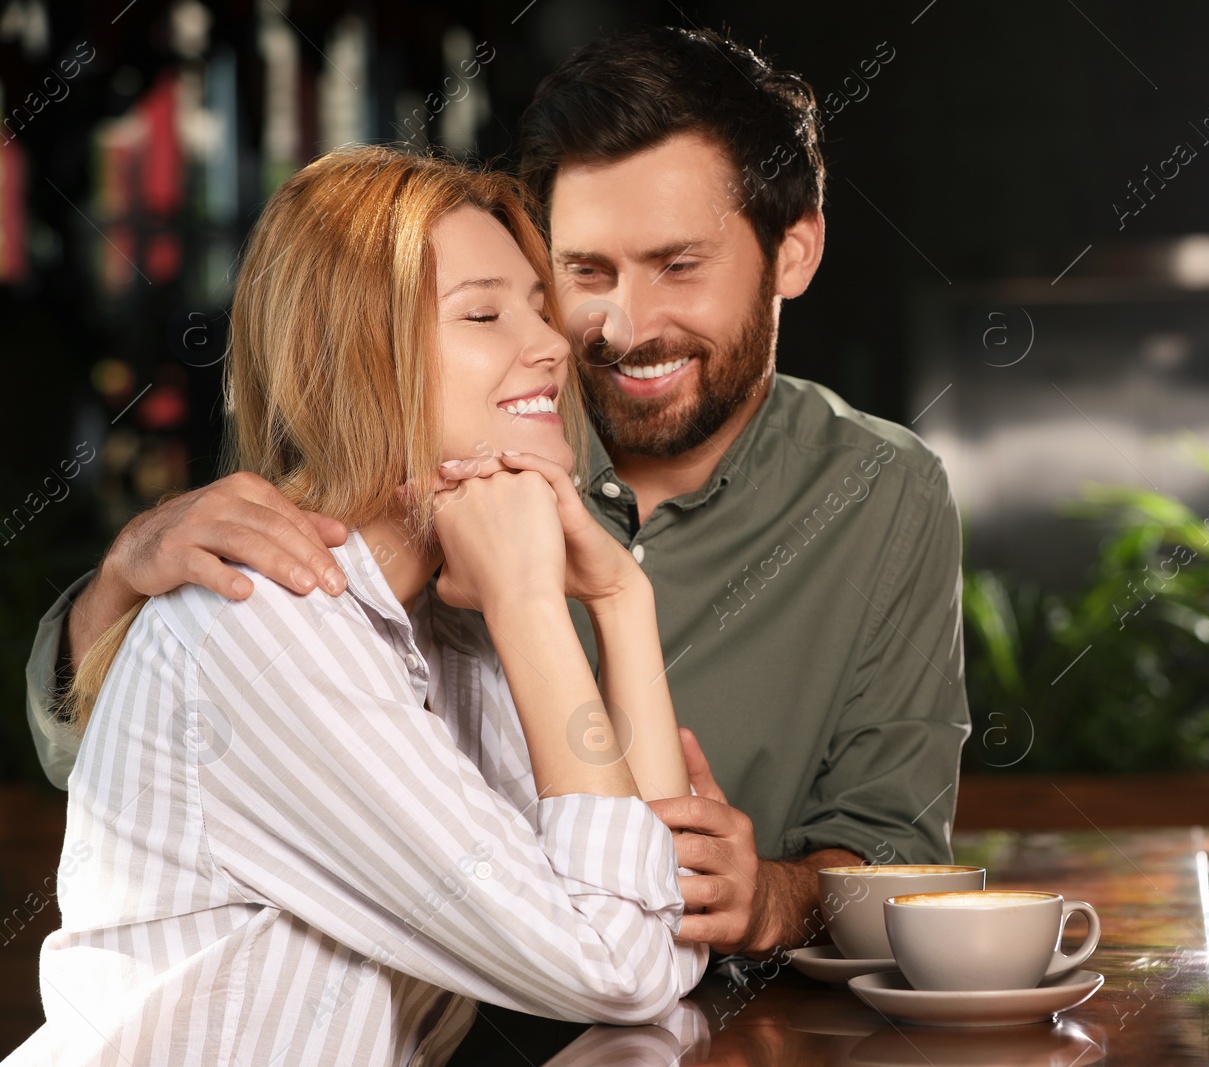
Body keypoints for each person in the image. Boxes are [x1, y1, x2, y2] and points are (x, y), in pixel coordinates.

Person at [25, 26, 970, 958]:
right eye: (585, 272)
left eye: (679, 266)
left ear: (794, 253)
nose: (621, 328)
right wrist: (119, 588)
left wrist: (774, 896)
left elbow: (896, 849)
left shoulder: (883, 492)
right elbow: (185, 727)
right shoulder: (472, 420)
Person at [7, 145, 706, 1067]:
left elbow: (661, 942)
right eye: (485, 313)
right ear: (352, 359)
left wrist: (621, 598)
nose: (551, 342)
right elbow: (616, 967)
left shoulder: (450, 637)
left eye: (539, 307)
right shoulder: (265, 622)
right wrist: (533, 600)